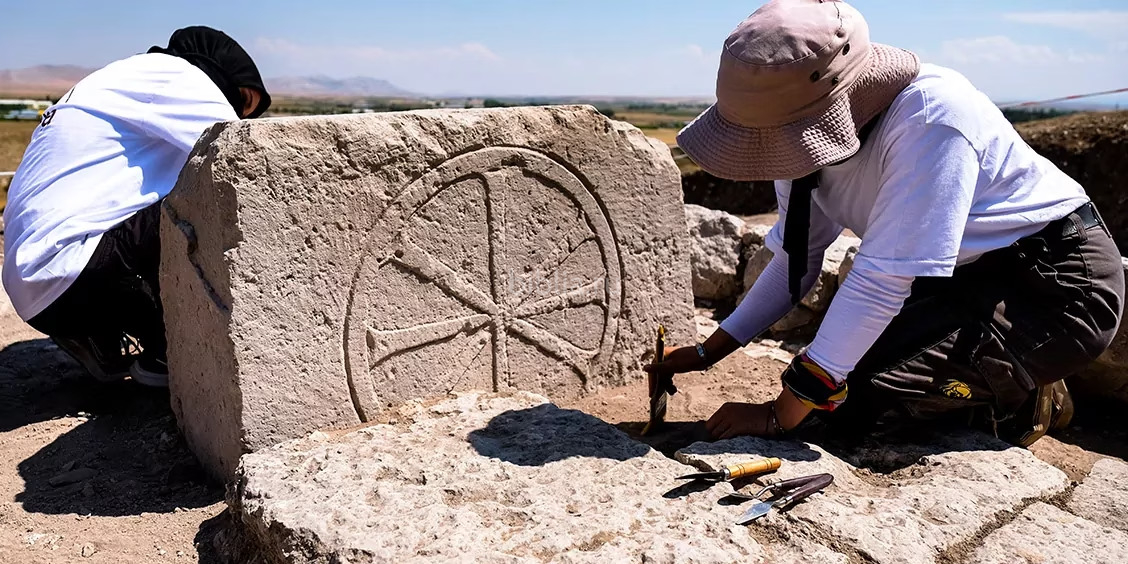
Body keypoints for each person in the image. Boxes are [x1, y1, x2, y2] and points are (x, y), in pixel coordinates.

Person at [646, 0, 1124, 447]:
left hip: (1053, 286)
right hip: (957, 276)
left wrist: (778, 415)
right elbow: (797, 259)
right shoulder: (798, 134)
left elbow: (881, 281)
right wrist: (711, 350)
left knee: (844, 403)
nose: (766, 148)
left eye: (769, 135)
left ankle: (1023, 395)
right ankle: (986, 369)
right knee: (835, 368)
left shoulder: (931, 119)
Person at [2, 26, 271, 387]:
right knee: (207, 202)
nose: (243, 114)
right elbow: (242, 161)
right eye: (245, 102)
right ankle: (167, 352)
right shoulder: (181, 77)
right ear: (220, 73)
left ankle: (104, 335)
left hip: (36, 287)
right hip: (74, 275)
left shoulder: (121, 80)